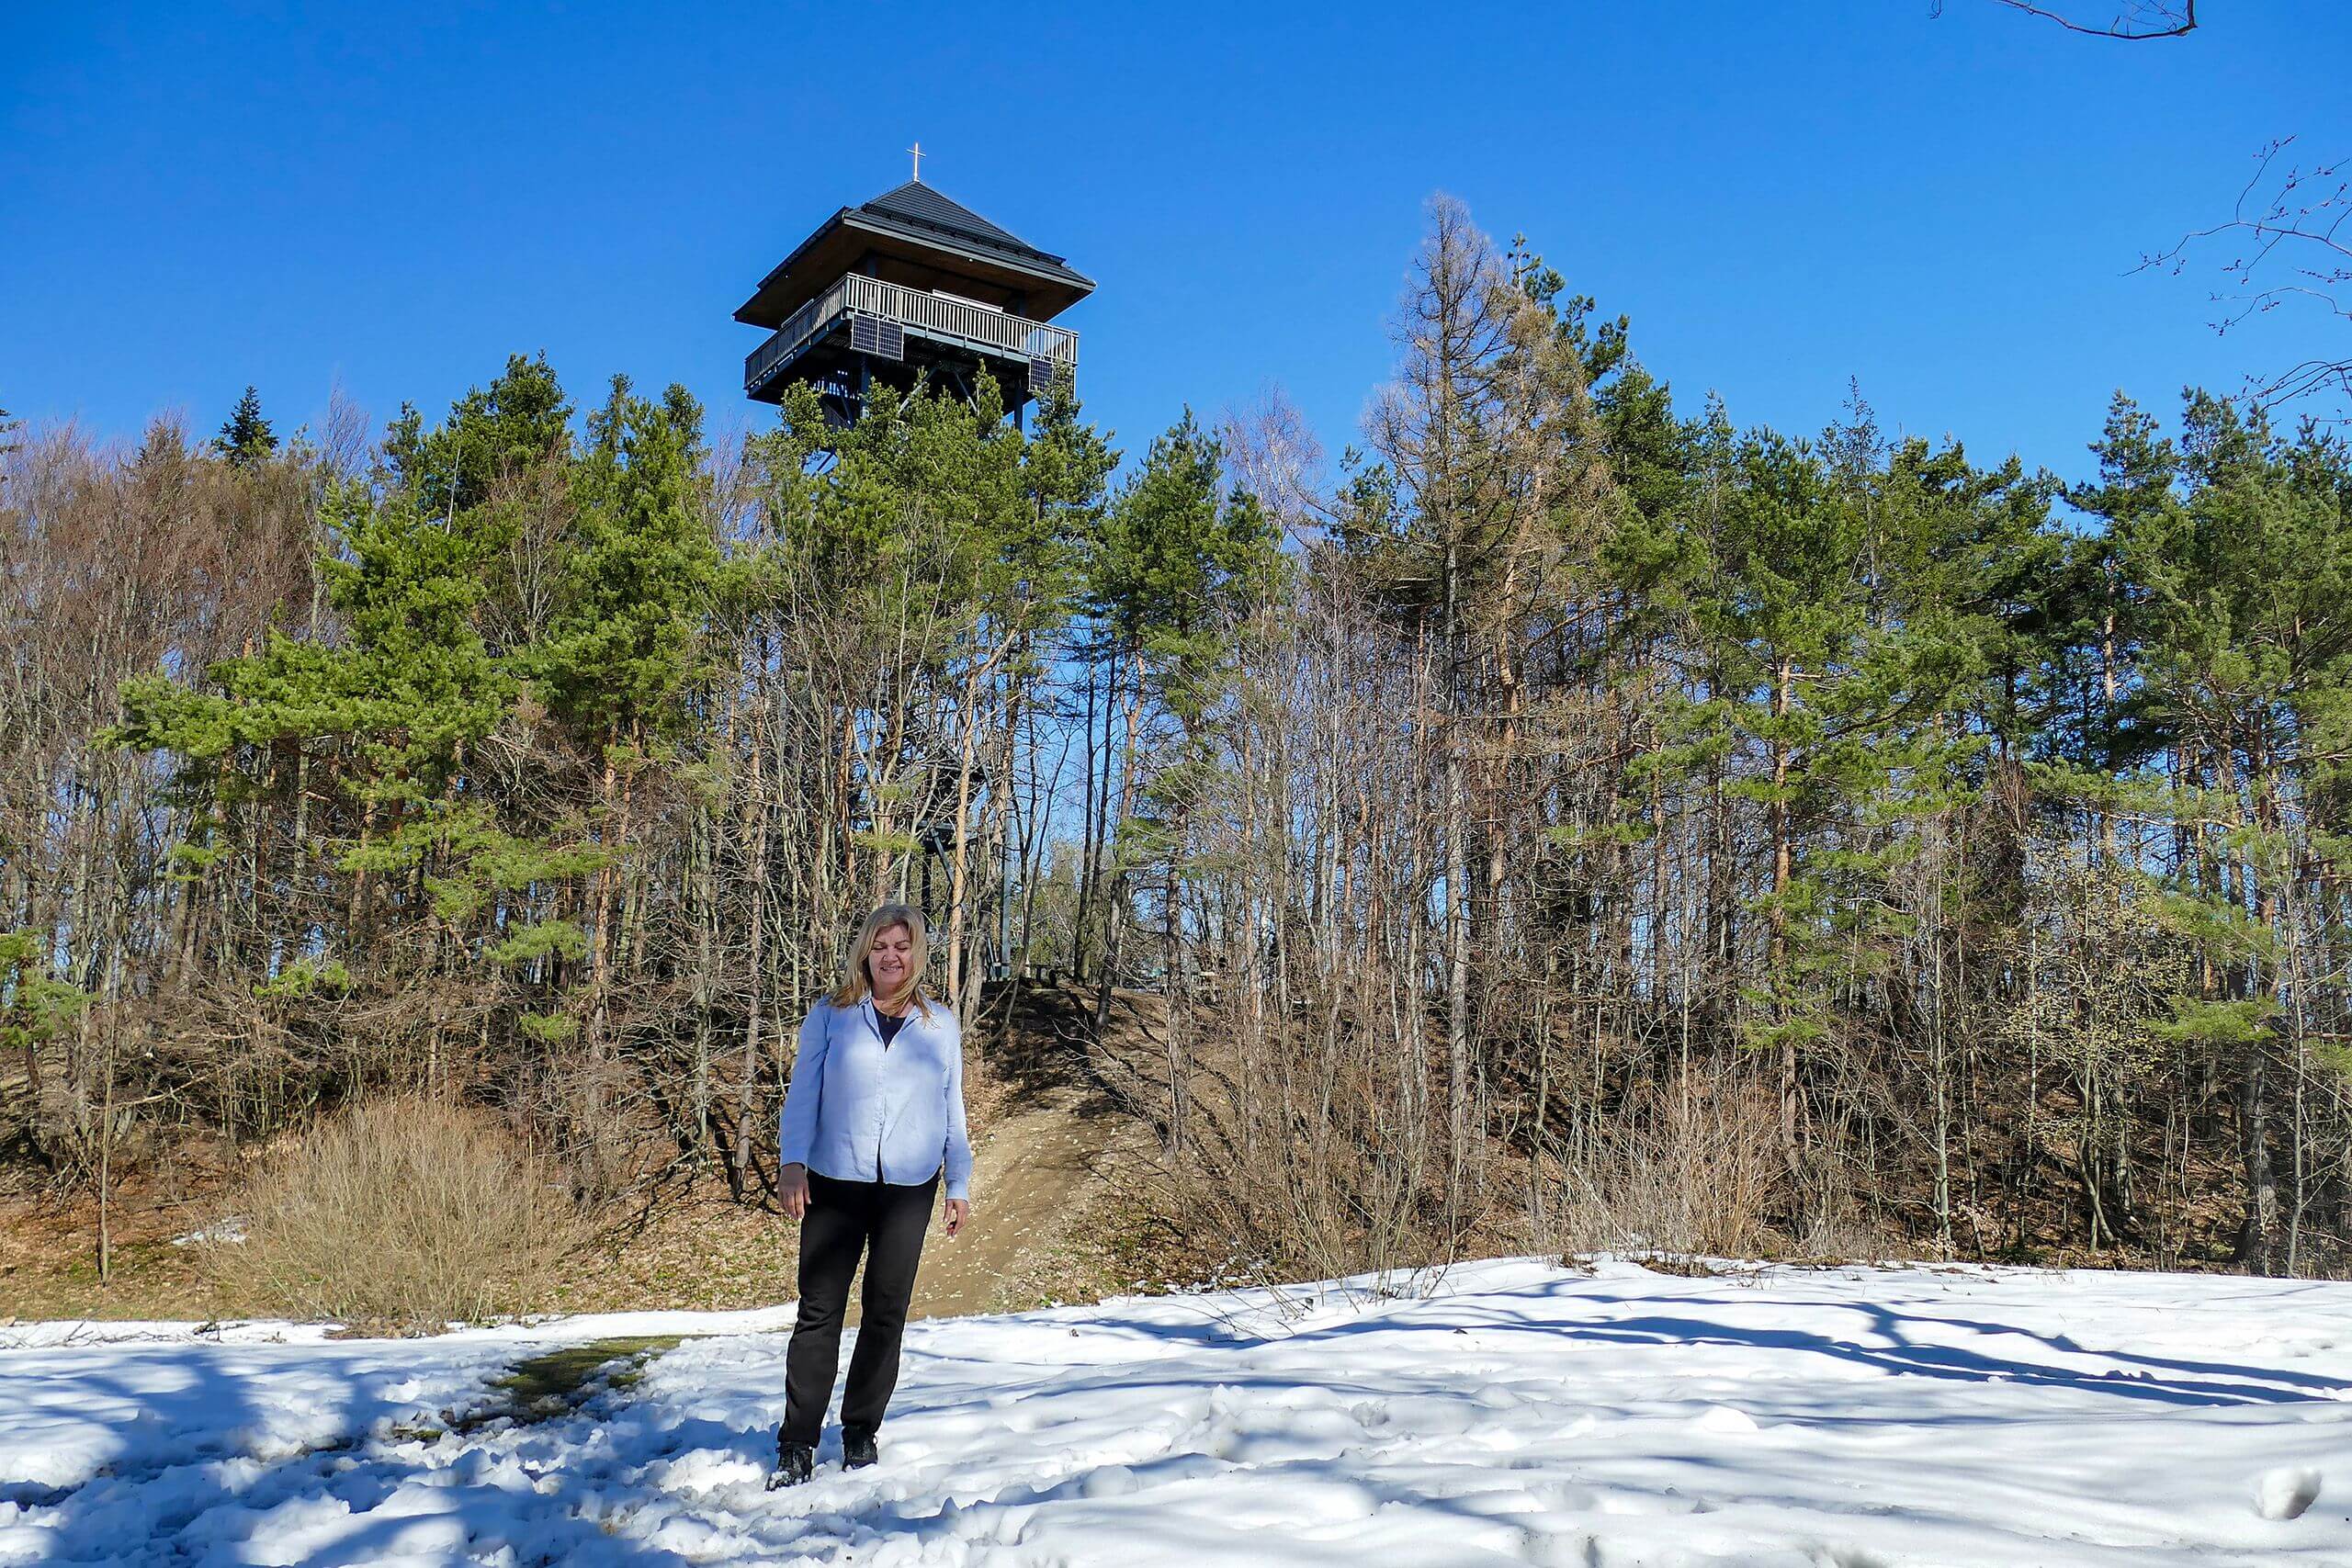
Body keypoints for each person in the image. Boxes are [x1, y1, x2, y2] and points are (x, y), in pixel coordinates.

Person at [769, 903, 973, 1487]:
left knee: (886, 1312)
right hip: (836, 1180)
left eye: (901, 947)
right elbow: (802, 1095)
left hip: (909, 1187)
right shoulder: (830, 1016)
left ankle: (860, 1429)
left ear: (917, 954)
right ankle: (797, 1442)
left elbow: (952, 1110)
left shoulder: (940, 1026)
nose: (890, 956)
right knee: (819, 1311)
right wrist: (792, 1162)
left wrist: (957, 1182)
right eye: (880, 946)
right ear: (865, 952)